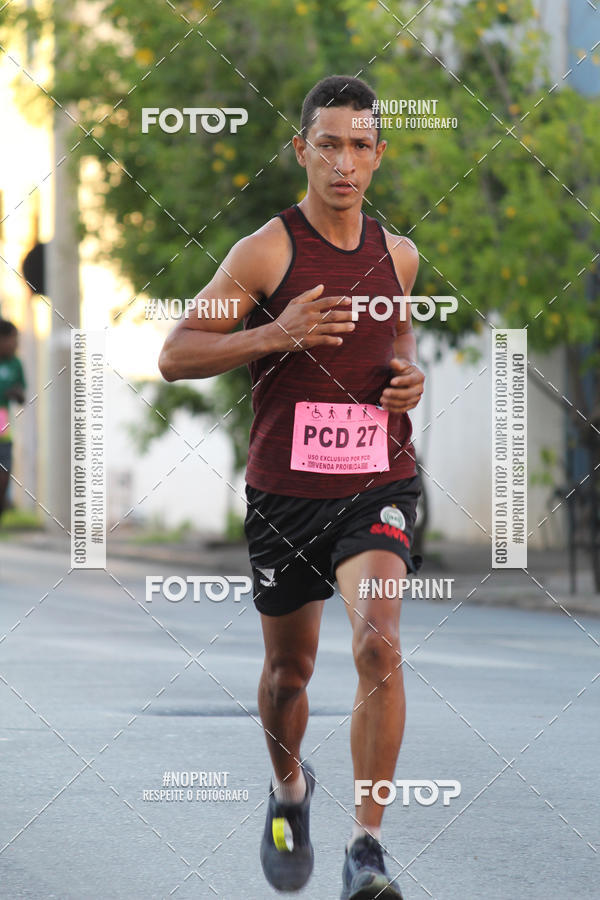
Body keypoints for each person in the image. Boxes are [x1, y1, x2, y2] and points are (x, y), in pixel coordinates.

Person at [159, 75, 425, 900]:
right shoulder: (266, 251)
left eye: (360, 145)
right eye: (329, 143)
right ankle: (289, 793)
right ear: (302, 150)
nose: (344, 161)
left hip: (376, 481)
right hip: (285, 494)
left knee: (378, 643)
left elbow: (399, 348)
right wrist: (274, 333)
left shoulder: (400, 255)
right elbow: (175, 353)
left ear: (378, 157)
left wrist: (408, 382)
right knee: (289, 677)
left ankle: (367, 849)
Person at [0, 319, 26, 522]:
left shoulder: (15, 363)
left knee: (4, 474)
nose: (16, 344)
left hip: (2, 427)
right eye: (12, 340)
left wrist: (16, 393)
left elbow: (22, 395)